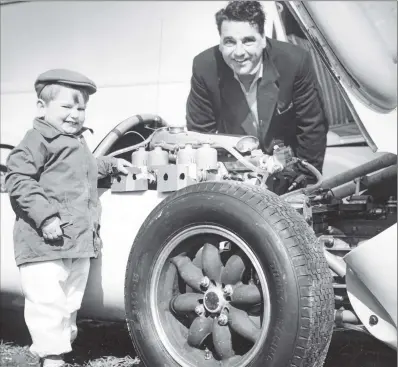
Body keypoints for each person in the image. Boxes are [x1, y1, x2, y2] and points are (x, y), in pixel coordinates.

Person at [5, 69, 132, 367]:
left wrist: (111, 165)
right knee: (47, 300)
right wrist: (46, 217)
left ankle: (60, 347)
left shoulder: (76, 143)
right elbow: (18, 178)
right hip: (43, 242)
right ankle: (51, 355)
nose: (75, 114)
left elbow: (87, 167)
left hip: (76, 241)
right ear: (41, 107)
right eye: (67, 106)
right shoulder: (37, 139)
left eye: (81, 108)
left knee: (71, 299)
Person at [186, 0, 328, 192]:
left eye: (248, 40)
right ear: (220, 42)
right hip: (236, 177)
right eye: (229, 42)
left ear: (263, 39)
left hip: (289, 174)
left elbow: (312, 127)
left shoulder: (294, 62)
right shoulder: (205, 68)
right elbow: (201, 136)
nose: (238, 52)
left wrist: (301, 184)